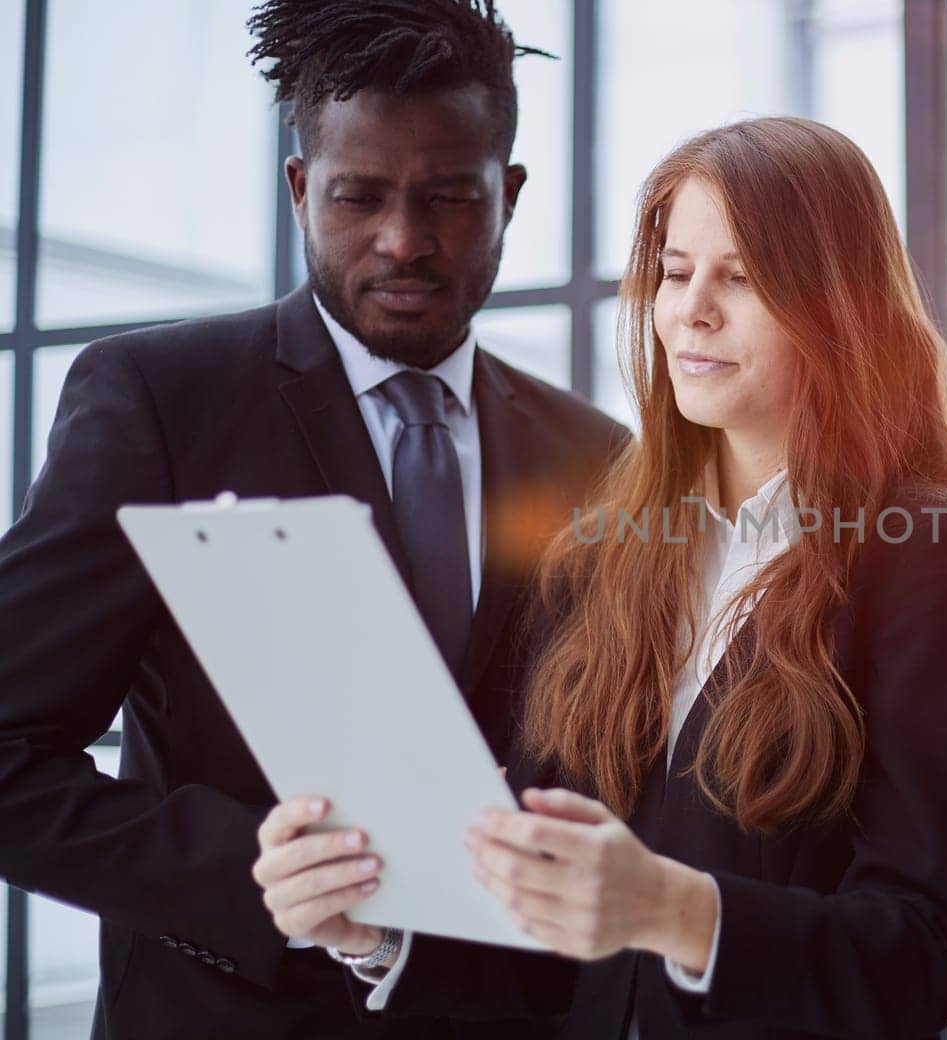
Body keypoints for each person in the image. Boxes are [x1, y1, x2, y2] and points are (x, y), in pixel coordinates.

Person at [252, 115, 947, 1040]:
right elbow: (544, 945)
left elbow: (923, 954)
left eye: (741, 278)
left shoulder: (930, 555)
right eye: (675, 271)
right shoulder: (599, 552)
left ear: (838, 305)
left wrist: (676, 911)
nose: (692, 310)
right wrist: (379, 934)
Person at [0, 2, 624, 1037]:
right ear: (300, 190)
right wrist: (259, 877)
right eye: (358, 196)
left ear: (509, 194)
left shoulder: (597, 459)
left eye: (452, 198)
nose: (404, 240)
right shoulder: (159, 400)